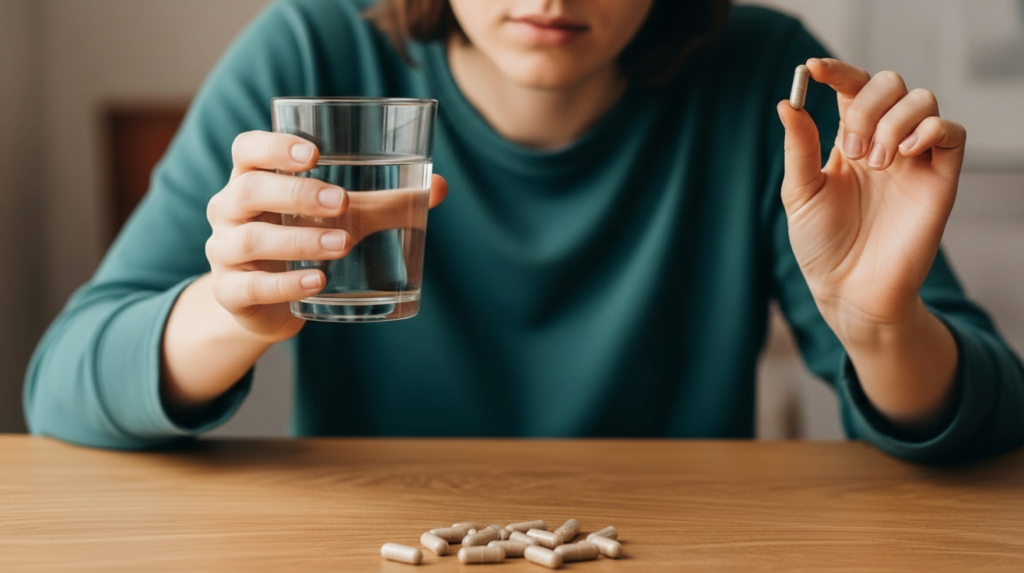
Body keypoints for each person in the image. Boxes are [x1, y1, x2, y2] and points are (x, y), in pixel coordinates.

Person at [24, 0, 1024, 462]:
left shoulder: (765, 77)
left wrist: (882, 323)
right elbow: (61, 387)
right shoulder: (312, 48)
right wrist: (229, 314)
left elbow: (993, 421)